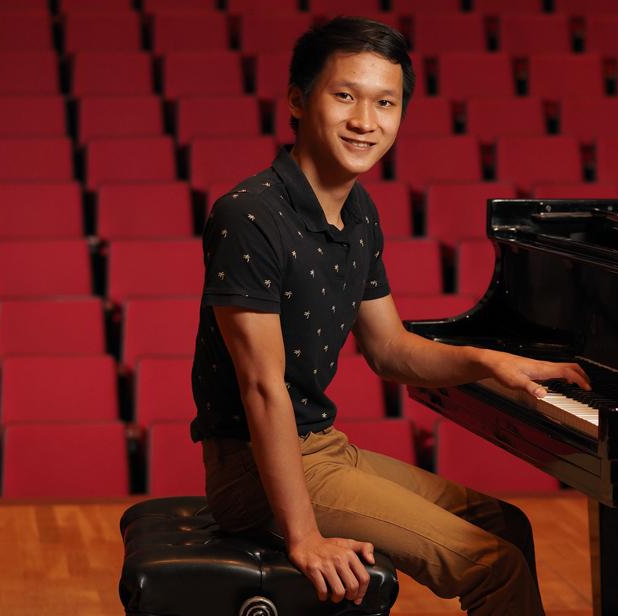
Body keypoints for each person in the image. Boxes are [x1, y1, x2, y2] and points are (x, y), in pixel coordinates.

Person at [191, 17, 590, 615]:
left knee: (503, 523)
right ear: (298, 101)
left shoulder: (358, 213)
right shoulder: (249, 214)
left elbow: (390, 350)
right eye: (344, 96)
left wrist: (493, 362)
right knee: (493, 566)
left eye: (386, 102)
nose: (365, 121)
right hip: (253, 468)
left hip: (322, 448)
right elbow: (262, 388)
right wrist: (304, 537)